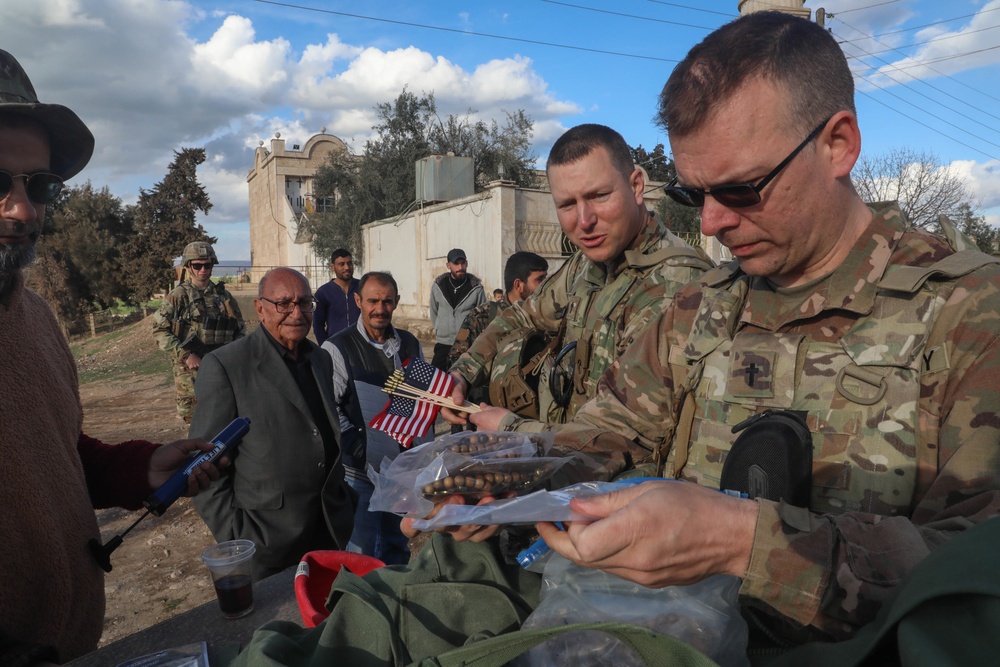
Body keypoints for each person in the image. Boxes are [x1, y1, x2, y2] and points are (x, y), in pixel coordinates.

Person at [494, 11, 1000, 645]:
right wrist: (504, 475)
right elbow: (607, 432)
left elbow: (975, 579)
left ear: (838, 144)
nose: (709, 224)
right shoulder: (697, 308)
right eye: (693, 195)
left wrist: (740, 541)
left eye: (739, 189)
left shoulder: (973, 313)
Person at [0, 49, 225, 664]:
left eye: (38, 185)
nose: (22, 209)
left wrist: (139, 468)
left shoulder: (36, 319)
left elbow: (56, 454)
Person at [446, 124, 712, 426]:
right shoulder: (584, 267)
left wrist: (511, 430)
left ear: (636, 186)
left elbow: (625, 431)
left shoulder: (678, 285)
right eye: (567, 204)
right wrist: (463, 372)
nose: (584, 221)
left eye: (598, 196)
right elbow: (521, 316)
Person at [191, 267, 355, 580]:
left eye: (305, 303)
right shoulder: (227, 366)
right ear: (260, 308)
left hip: (328, 534)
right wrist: (238, 538)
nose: (297, 313)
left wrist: (344, 502)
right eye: (284, 304)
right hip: (267, 545)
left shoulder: (320, 360)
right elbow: (204, 467)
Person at [322, 272, 425, 565]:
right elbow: (330, 407)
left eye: (387, 301)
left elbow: (419, 396)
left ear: (396, 303)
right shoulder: (337, 348)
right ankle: (357, 606)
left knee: (398, 546)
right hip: (359, 474)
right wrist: (358, 448)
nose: (380, 309)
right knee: (360, 552)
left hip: (399, 469)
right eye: (373, 301)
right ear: (358, 301)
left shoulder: (409, 344)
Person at [152, 241, 245, 423]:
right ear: (188, 266)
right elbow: (159, 331)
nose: (203, 270)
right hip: (190, 370)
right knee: (195, 421)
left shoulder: (224, 297)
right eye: (197, 265)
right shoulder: (178, 296)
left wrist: (234, 356)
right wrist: (186, 355)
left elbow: (239, 328)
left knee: (224, 415)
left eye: (207, 265)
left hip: (221, 366)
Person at [447, 251, 549, 373]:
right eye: (540, 280)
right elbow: (456, 363)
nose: (546, 286)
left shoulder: (546, 318)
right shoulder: (481, 317)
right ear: (518, 285)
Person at [428, 248, 485, 371]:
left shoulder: (476, 288)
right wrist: (440, 327)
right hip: (443, 343)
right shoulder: (439, 285)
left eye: (463, 263)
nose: (460, 267)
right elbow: (434, 311)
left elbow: (482, 317)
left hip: (467, 345)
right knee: (435, 381)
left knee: (463, 383)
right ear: (448, 265)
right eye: (456, 264)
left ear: (467, 263)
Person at [313, 248, 360, 344]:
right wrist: (325, 347)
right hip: (336, 345)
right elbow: (318, 325)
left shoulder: (362, 288)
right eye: (341, 264)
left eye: (349, 263)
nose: (347, 267)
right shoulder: (323, 292)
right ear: (332, 267)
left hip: (361, 345)